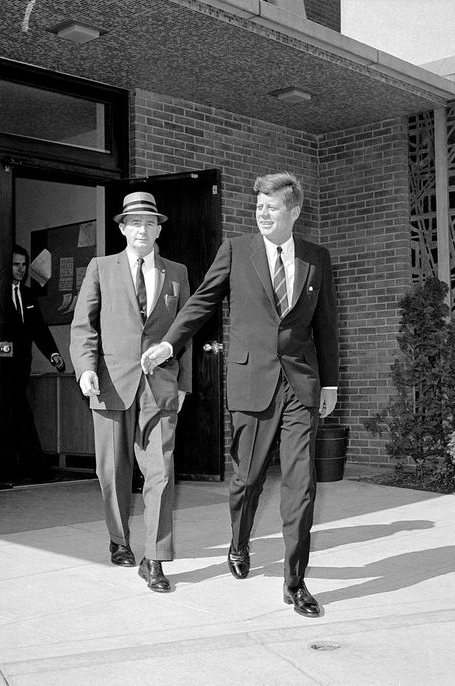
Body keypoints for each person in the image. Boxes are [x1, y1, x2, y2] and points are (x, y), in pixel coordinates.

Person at [142, 172, 339, 616]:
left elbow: (326, 324)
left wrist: (329, 381)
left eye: (271, 207)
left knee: (301, 485)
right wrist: (170, 342)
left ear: (295, 211)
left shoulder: (316, 258)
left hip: (300, 385)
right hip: (252, 384)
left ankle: (295, 581)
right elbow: (202, 301)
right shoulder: (236, 250)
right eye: (258, 207)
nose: (262, 213)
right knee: (247, 479)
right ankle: (239, 541)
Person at [69, 192, 192, 592]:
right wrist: (85, 369)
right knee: (113, 471)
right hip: (109, 384)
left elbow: (185, 332)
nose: (142, 229)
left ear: (159, 229)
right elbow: (83, 326)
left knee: (160, 471)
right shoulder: (100, 268)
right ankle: (119, 538)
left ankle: (154, 558)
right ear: (122, 228)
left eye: (149, 222)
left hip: (159, 387)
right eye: (134, 222)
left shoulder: (177, 273)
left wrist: (184, 383)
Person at [9, 244, 66, 480]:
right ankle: (34, 467)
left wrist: (53, 354)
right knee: (18, 414)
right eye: (16, 264)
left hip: (22, 367)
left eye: (24, 265)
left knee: (17, 414)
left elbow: (39, 330)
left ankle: (24, 466)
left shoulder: (29, 294)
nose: (20, 270)